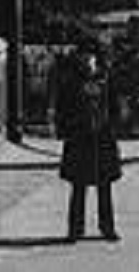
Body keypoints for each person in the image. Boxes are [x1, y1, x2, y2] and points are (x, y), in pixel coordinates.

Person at [54, 38, 122, 242]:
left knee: (104, 186)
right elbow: (62, 107)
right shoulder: (71, 81)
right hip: (79, 138)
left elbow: (115, 105)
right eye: (83, 55)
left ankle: (107, 227)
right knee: (78, 186)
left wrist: (113, 126)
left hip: (102, 137)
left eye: (90, 56)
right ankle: (75, 229)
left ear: (96, 58)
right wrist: (65, 128)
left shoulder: (106, 78)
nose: (86, 59)